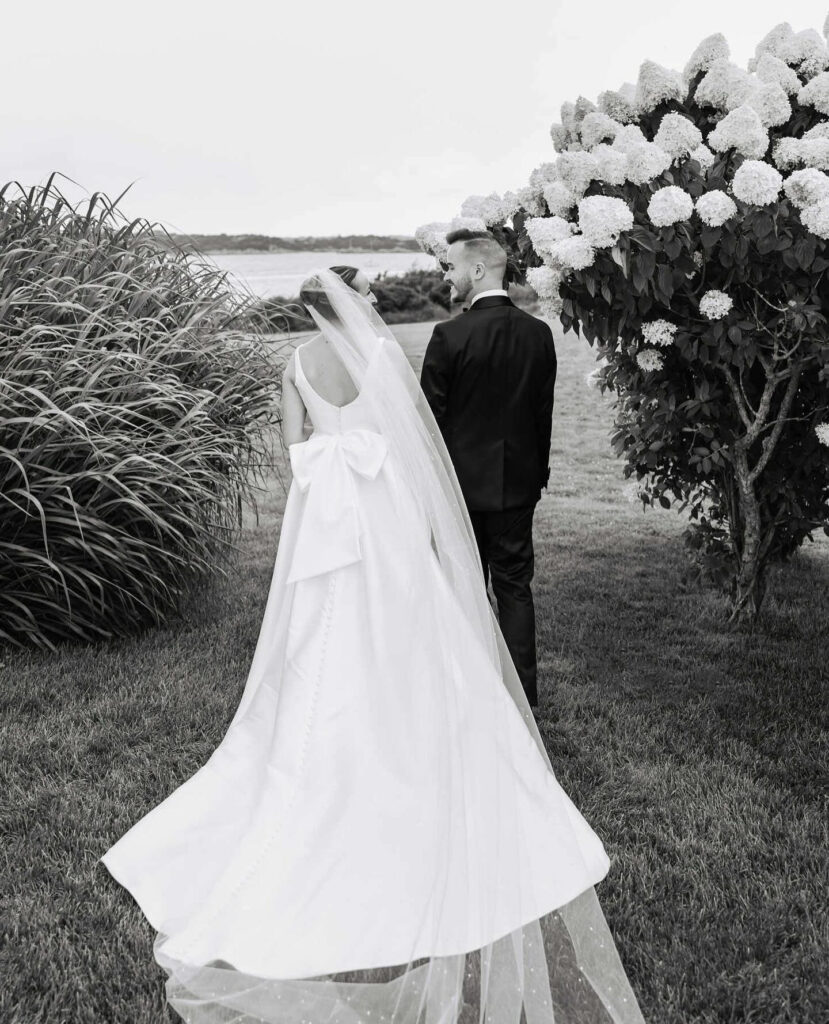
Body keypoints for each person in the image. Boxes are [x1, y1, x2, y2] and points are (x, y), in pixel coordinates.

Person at [101, 268, 644, 1024]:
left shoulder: (292, 364)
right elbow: (415, 449)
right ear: (357, 309)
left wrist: (329, 462)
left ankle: (328, 735)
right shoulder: (384, 361)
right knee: (406, 625)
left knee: (318, 633)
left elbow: (295, 450)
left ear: (307, 312)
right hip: (380, 510)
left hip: (324, 518)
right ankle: (404, 723)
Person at [421, 229, 557, 710]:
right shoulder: (538, 334)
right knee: (515, 588)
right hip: (520, 485)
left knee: (465, 589)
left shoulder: (449, 335)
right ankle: (521, 698)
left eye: (451, 267)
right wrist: (536, 478)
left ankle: (466, 693)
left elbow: (430, 425)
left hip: (461, 488)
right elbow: (543, 414)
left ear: (477, 271)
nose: (447, 275)